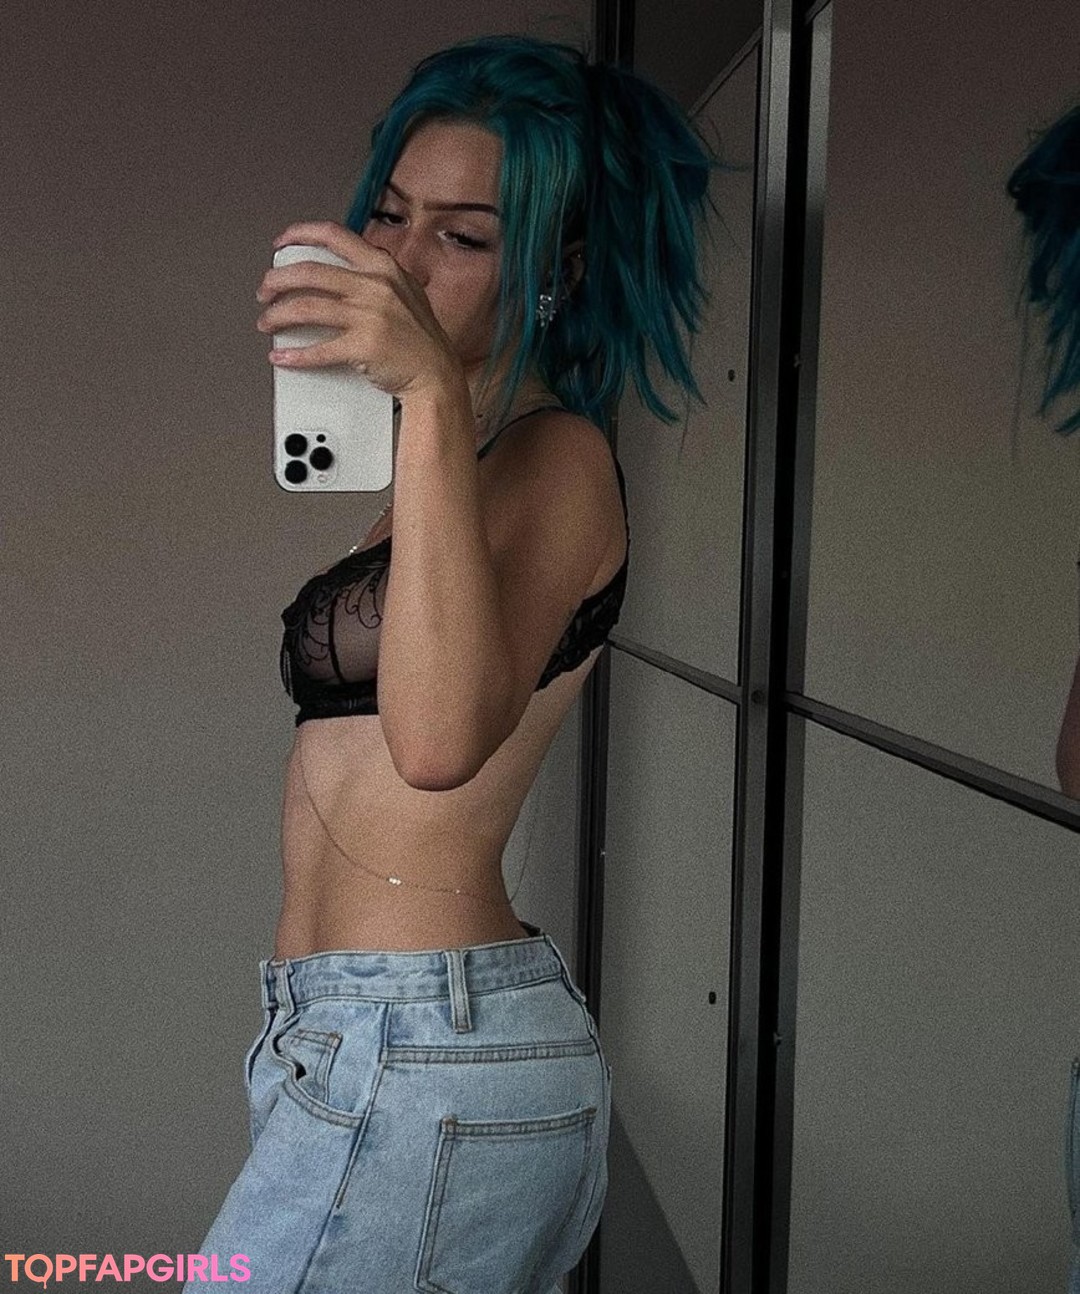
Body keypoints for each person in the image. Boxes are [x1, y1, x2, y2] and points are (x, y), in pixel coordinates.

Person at [187, 33, 723, 1292]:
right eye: (390, 215)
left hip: (423, 1038)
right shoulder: (459, 458)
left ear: (556, 272)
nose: (403, 262)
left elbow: (433, 745)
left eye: (464, 235)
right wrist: (429, 408)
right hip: (360, 1035)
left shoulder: (558, 459)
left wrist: (428, 390)